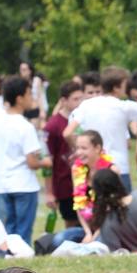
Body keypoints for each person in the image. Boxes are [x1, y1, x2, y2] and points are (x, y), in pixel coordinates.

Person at [0, 76, 51, 246]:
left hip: (4, 183)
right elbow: (32, 162)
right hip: (25, 185)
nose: (31, 99)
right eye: (28, 94)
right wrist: (46, 163)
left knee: (10, 230)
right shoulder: (25, 126)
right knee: (23, 232)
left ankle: (11, 257)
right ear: (19, 99)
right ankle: (21, 259)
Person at [64, 67, 137, 187]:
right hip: (119, 167)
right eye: (125, 85)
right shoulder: (124, 107)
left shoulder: (86, 105)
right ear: (116, 88)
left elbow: (67, 133)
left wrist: (80, 150)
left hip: (94, 168)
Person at [44, 80, 84, 231]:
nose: (80, 102)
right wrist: (49, 192)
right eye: (75, 99)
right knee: (72, 223)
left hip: (84, 179)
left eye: (81, 98)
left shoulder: (83, 119)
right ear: (63, 101)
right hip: (64, 184)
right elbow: (48, 160)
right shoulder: (53, 125)